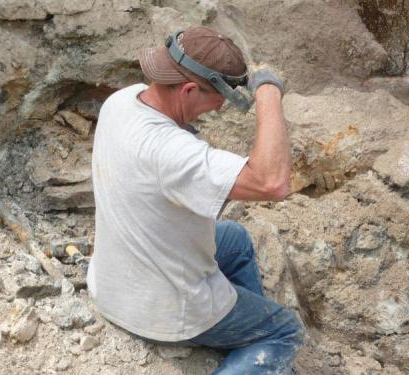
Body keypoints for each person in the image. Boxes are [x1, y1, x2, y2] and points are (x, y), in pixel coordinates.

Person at [87, 26, 304, 374]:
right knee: (284, 332)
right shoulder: (170, 151)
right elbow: (272, 182)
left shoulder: (122, 101)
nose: (213, 110)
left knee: (235, 240)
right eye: (213, 103)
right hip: (160, 312)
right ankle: (256, 344)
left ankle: (242, 334)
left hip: (113, 284)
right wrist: (267, 92)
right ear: (188, 90)